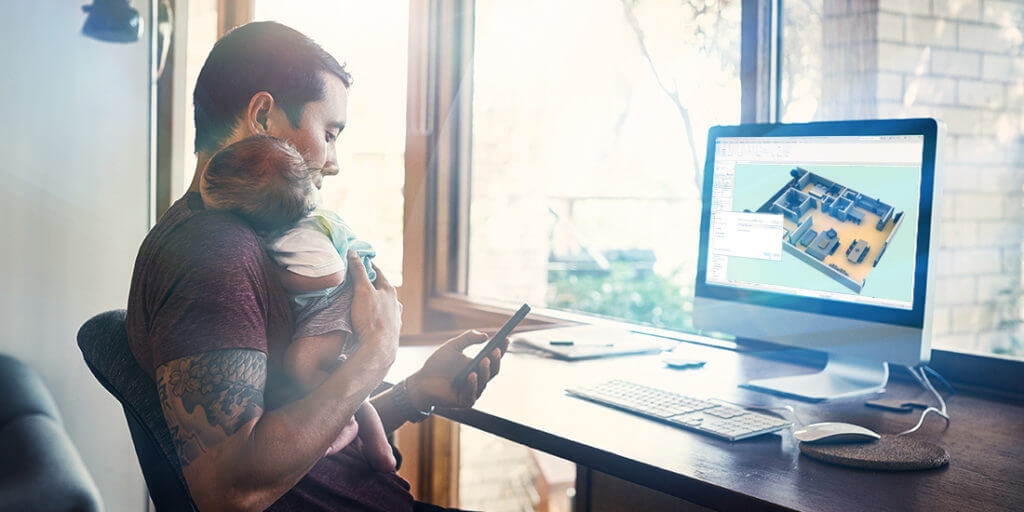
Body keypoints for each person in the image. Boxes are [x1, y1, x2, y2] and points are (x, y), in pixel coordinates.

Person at [126, 21, 507, 512]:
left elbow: (298, 443)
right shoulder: (214, 255)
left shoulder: (243, 240)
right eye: (329, 133)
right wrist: (377, 352)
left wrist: (413, 395)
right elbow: (229, 489)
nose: (333, 162)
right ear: (262, 115)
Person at [200, 134, 394, 472]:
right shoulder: (289, 212)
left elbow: (332, 274)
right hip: (329, 298)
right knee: (332, 374)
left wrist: (277, 282)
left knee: (303, 367)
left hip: (337, 299)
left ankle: (346, 425)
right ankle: (380, 449)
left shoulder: (298, 237)